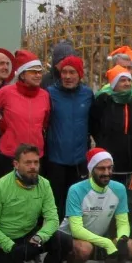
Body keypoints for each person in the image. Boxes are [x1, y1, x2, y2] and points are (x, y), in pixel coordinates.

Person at [60, 148, 132, 263]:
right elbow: (76, 229)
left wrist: (122, 238)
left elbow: (123, 222)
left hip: (97, 239)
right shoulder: (76, 190)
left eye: (109, 168)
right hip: (70, 239)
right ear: (91, 169)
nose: (106, 172)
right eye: (101, 168)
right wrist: (106, 243)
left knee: (130, 246)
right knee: (84, 248)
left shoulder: (119, 189)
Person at [0, 50, 50, 183]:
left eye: (39, 72)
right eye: (33, 72)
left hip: (35, 156)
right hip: (10, 154)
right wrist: (3, 125)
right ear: (23, 74)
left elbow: (45, 122)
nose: (38, 75)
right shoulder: (6, 92)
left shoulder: (44, 95)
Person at [44, 53, 95, 204]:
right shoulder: (50, 93)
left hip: (79, 159)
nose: (67, 76)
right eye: (64, 72)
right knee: (56, 201)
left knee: (76, 201)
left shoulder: (87, 94)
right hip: (55, 159)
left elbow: (94, 122)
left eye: (72, 72)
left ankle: (74, 228)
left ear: (80, 74)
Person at [89, 65, 132, 181]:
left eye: (129, 80)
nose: (127, 83)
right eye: (122, 80)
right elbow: (92, 126)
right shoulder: (104, 102)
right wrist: (103, 140)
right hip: (107, 162)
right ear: (114, 84)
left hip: (131, 161)